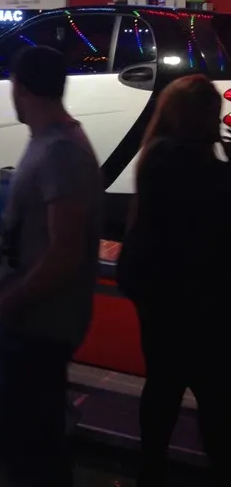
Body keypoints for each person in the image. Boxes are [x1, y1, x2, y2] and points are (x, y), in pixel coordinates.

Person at [0, 45, 103, 487]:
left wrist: (11, 303)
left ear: (24, 87)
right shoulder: (49, 142)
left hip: (39, 324)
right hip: (33, 321)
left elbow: (66, 251)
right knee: (29, 442)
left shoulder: (62, 151)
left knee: (20, 444)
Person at [117, 75, 231, 485]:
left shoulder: (157, 158)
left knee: (162, 389)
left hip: (163, 302)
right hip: (207, 306)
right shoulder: (208, 171)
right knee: (215, 402)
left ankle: (149, 473)